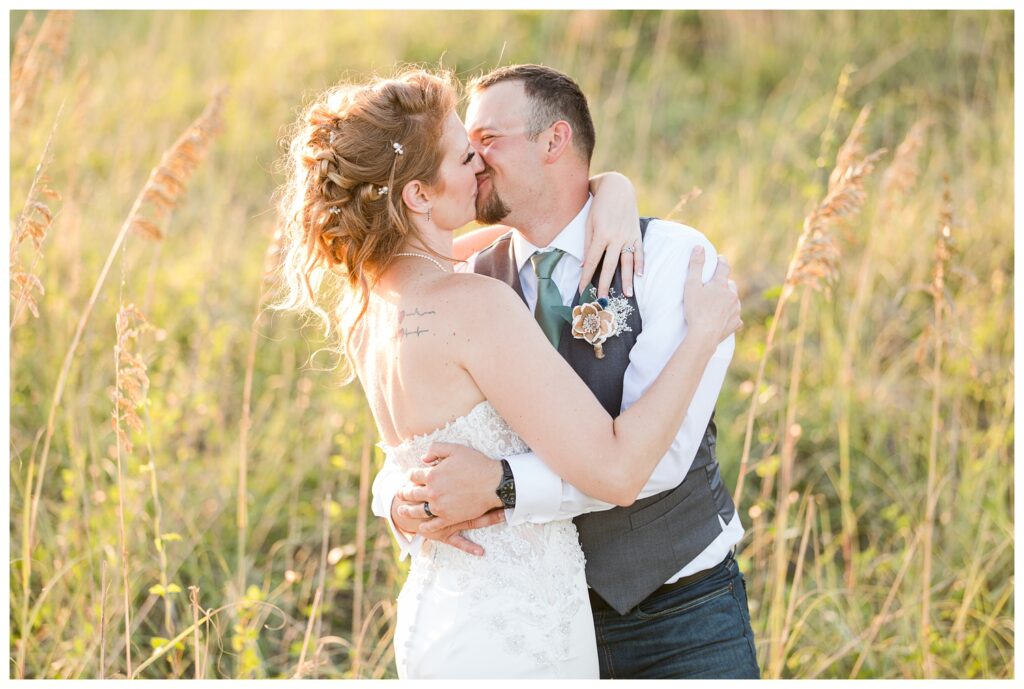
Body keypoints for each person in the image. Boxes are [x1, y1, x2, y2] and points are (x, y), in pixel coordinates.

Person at [276, 68, 739, 679]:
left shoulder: (368, 305)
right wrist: (704, 335)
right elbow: (619, 468)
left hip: (502, 615)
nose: (478, 165)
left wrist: (611, 190)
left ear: (554, 142)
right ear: (418, 193)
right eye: (465, 152)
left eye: (485, 143)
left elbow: (660, 463)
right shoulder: (474, 295)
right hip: (523, 625)